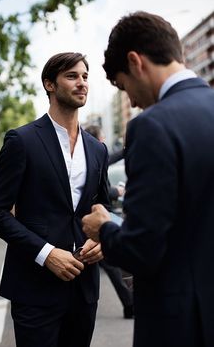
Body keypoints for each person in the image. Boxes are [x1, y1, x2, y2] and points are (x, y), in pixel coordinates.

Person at [82, 11, 214, 347]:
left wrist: (104, 228)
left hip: (182, 326)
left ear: (135, 61)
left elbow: (142, 250)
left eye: (124, 87)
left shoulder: (152, 126)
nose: (133, 101)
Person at [0, 52, 110, 347]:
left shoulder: (98, 150)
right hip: (34, 288)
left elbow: (102, 208)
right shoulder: (21, 140)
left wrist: (103, 239)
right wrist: (46, 253)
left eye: (85, 77)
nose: (82, 83)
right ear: (49, 84)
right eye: (72, 76)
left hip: (84, 287)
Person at [84, 124, 134, 319]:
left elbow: (112, 156)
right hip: (95, 217)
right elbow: (97, 191)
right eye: (102, 138)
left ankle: (130, 303)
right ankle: (130, 304)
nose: (104, 141)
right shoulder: (89, 158)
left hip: (103, 215)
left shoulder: (98, 154)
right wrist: (116, 192)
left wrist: (126, 148)